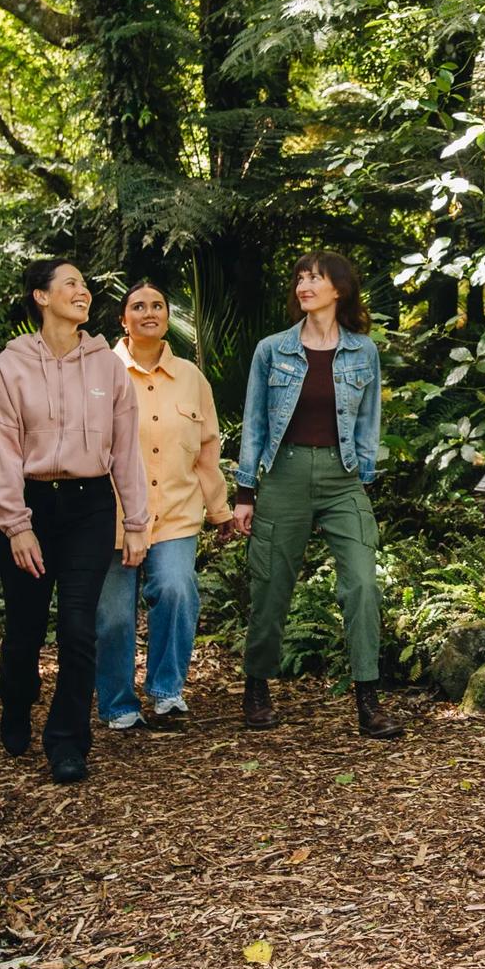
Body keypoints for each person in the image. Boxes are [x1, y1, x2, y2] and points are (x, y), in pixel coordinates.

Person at [0, 259, 150, 784]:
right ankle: (16, 700)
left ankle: (68, 741)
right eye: (70, 283)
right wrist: (16, 523)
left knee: (78, 627)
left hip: (89, 504)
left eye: (84, 284)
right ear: (40, 296)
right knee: (25, 628)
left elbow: (125, 450)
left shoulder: (106, 366)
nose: (83, 291)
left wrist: (136, 520)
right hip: (30, 506)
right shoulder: (8, 367)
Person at [232, 251, 403, 739]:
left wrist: (363, 477)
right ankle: (257, 687)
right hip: (283, 475)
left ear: (339, 289)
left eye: (316, 277)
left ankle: (368, 697)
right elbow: (255, 423)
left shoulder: (363, 351)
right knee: (270, 586)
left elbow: (369, 422)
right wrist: (246, 492)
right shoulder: (272, 350)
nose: (304, 284)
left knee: (363, 584)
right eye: (300, 276)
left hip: (343, 478)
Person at [94, 282, 234, 730]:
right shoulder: (100, 372)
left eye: (158, 305)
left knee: (176, 589)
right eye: (138, 306)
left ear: (167, 316)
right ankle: (117, 703)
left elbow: (207, 451)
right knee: (113, 615)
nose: (149, 312)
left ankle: (165, 690)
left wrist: (220, 511)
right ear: (124, 319)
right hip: (112, 517)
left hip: (176, 512)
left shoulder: (192, 378)